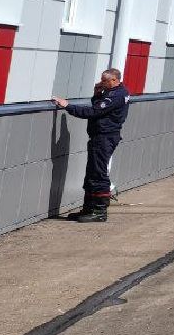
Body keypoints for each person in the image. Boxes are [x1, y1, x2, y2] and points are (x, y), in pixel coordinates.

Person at [52, 68, 130, 223]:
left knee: (98, 174)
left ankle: (99, 211)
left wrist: (67, 106)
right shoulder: (113, 92)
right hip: (100, 137)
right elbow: (98, 106)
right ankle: (89, 208)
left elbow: (93, 112)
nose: (101, 83)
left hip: (104, 138)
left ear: (114, 80)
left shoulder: (116, 95)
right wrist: (97, 94)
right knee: (91, 173)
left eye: (104, 81)